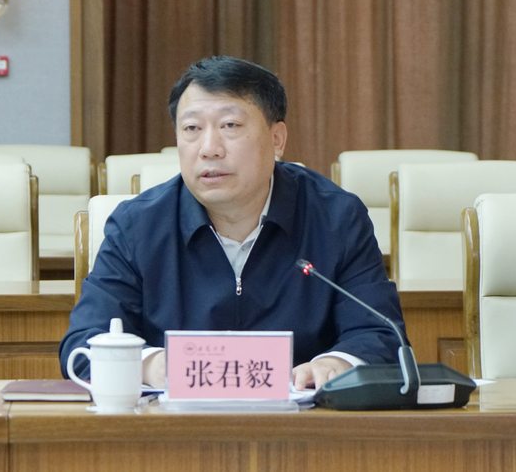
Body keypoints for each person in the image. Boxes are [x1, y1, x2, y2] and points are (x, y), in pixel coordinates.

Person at [59, 56, 407, 391]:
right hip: (172, 424)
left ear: (277, 139)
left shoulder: (336, 218)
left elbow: (381, 334)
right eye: (192, 129)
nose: (209, 148)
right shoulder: (137, 227)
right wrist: (151, 366)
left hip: (300, 423)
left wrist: (337, 363)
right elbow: (83, 344)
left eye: (230, 126)